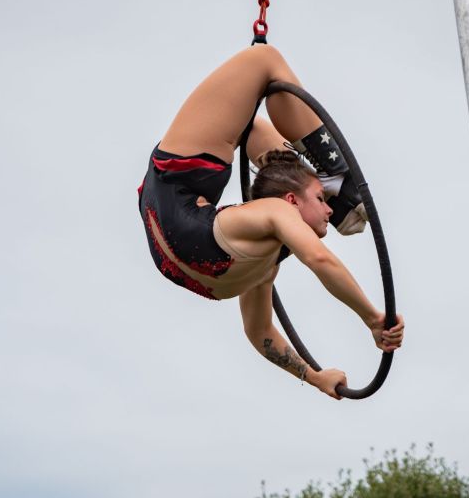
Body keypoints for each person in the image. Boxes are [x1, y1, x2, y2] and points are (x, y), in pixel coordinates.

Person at [137, 45, 404, 400]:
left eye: (326, 202)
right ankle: (331, 180)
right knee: (260, 91)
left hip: (177, 184)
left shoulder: (269, 234)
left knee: (261, 75)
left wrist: (315, 375)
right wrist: (371, 319)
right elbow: (267, 321)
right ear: (292, 202)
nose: (326, 213)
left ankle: (331, 179)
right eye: (322, 201)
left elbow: (260, 329)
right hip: (177, 206)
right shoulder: (271, 236)